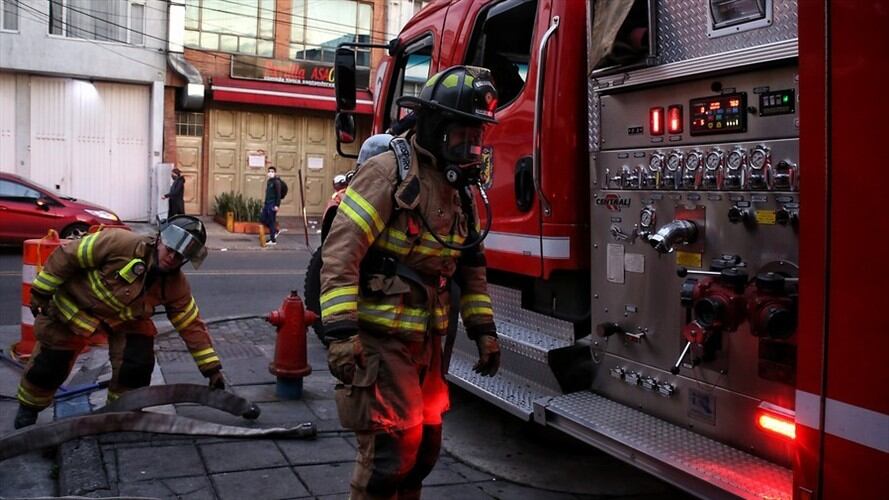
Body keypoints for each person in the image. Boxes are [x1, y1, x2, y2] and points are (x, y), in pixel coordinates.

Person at [320, 66, 502, 500]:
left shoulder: (460, 188)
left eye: (477, 135)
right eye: (463, 133)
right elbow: (341, 253)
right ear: (437, 126)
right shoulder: (388, 174)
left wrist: (484, 331)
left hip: (427, 340)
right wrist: (342, 334)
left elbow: (470, 266)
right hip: (382, 339)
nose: (471, 145)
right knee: (390, 453)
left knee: (424, 451)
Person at [14, 216, 225, 429]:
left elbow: (190, 325)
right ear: (160, 239)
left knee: (137, 363)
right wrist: (41, 291)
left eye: (180, 256)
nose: (172, 257)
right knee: (50, 365)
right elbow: (68, 256)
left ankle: (120, 413)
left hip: (123, 321)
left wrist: (212, 369)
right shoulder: (119, 243)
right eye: (169, 249)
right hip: (74, 308)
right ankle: (28, 411)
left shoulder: (175, 285)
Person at [261, 166, 283, 245]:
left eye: (272, 171)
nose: (270, 173)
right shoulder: (269, 181)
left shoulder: (276, 182)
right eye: (269, 171)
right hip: (267, 203)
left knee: (271, 221)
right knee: (263, 218)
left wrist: (277, 205)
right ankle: (275, 230)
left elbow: (278, 194)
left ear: (275, 173)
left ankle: (273, 240)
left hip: (272, 204)